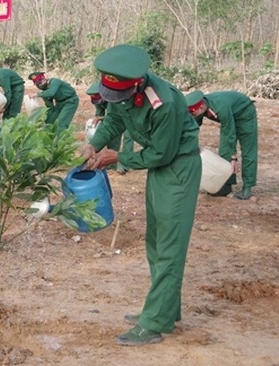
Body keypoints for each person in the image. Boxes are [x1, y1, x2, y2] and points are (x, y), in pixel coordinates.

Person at [80, 44, 201, 346]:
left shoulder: (165, 103)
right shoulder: (123, 92)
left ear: (137, 83)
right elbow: (114, 120)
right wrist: (94, 144)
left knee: (170, 244)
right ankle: (164, 309)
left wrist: (118, 158)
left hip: (179, 167)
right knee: (156, 239)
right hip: (160, 169)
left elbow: (161, 153)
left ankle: (155, 323)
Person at [185, 90, 257, 200]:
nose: (191, 115)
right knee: (224, 151)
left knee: (248, 150)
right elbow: (191, 127)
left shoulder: (220, 107)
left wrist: (233, 158)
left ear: (200, 108)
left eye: (192, 113)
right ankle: (226, 186)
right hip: (229, 113)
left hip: (244, 113)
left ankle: (247, 188)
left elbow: (228, 133)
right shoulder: (200, 105)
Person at [86, 82, 133, 174]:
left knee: (128, 137)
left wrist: (102, 118)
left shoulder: (115, 96)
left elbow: (116, 114)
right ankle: (111, 165)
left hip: (129, 117)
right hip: (114, 120)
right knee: (112, 138)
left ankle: (125, 166)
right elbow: (102, 114)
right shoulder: (97, 99)